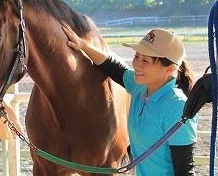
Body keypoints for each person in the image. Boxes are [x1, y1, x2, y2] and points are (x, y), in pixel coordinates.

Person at [62, 24, 198, 175]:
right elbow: (113, 67)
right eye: (136, 56)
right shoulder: (140, 87)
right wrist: (83, 45)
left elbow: (185, 170)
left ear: (169, 69)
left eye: (145, 61)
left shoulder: (176, 106)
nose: (136, 64)